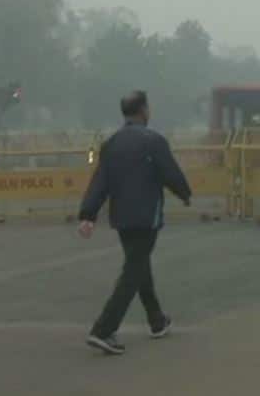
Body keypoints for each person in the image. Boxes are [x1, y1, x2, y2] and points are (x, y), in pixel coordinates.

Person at [78, 90, 193, 355]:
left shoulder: (112, 143)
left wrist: (88, 214)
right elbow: (170, 172)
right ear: (143, 110)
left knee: (138, 265)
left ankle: (157, 321)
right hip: (146, 217)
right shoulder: (153, 141)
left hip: (121, 218)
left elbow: (100, 182)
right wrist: (184, 193)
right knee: (133, 271)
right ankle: (103, 330)